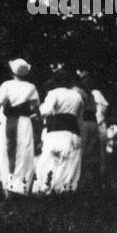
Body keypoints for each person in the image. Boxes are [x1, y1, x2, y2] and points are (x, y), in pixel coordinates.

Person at [0, 59, 41, 195]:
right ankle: (18, 185)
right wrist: (40, 121)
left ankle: (10, 186)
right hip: (23, 122)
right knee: (23, 152)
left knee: (9, 150)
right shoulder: (31, 87)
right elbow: (36, 108)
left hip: (11, 121)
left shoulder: (7, 85)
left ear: (12, 72)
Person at [35, 65, 85, 194]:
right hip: (72, 131)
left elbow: (44, 111)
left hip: (56, 131)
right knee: (69, 160)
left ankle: (49, 187)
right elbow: (79, 115)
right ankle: (65, 189)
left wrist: (38, 111)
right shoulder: (78, 96)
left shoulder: (54, 94)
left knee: (52, 160)